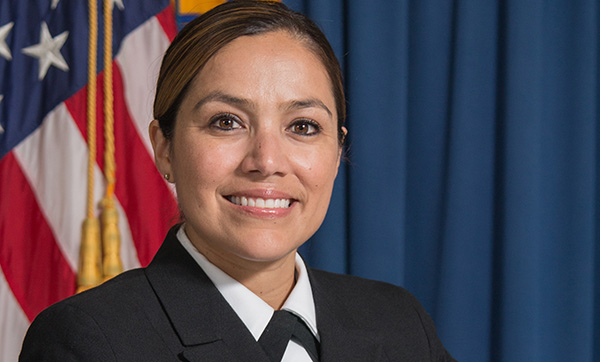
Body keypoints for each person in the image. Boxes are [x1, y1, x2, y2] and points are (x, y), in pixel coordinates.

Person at [20, 1, 457, 361]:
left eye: (303, 126)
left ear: (338, 152)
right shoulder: (88, 342)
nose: (266, 161)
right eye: (226, 122)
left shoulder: (399, 325)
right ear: (165, 148)